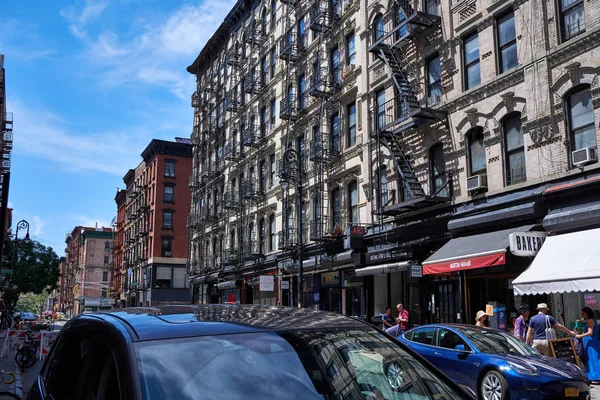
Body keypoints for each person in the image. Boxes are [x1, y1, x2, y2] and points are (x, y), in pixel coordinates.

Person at [575, 307, 600, 382]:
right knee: (594, 359)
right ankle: (595, 376)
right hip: (592, 341)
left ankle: (595, 376)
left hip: (591, 342)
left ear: (587, 313)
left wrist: (580, 336)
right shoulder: (592, 320)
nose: (583, 315)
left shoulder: (590, 321)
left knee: (593, 359)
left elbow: (590, 332)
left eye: (584, 314)